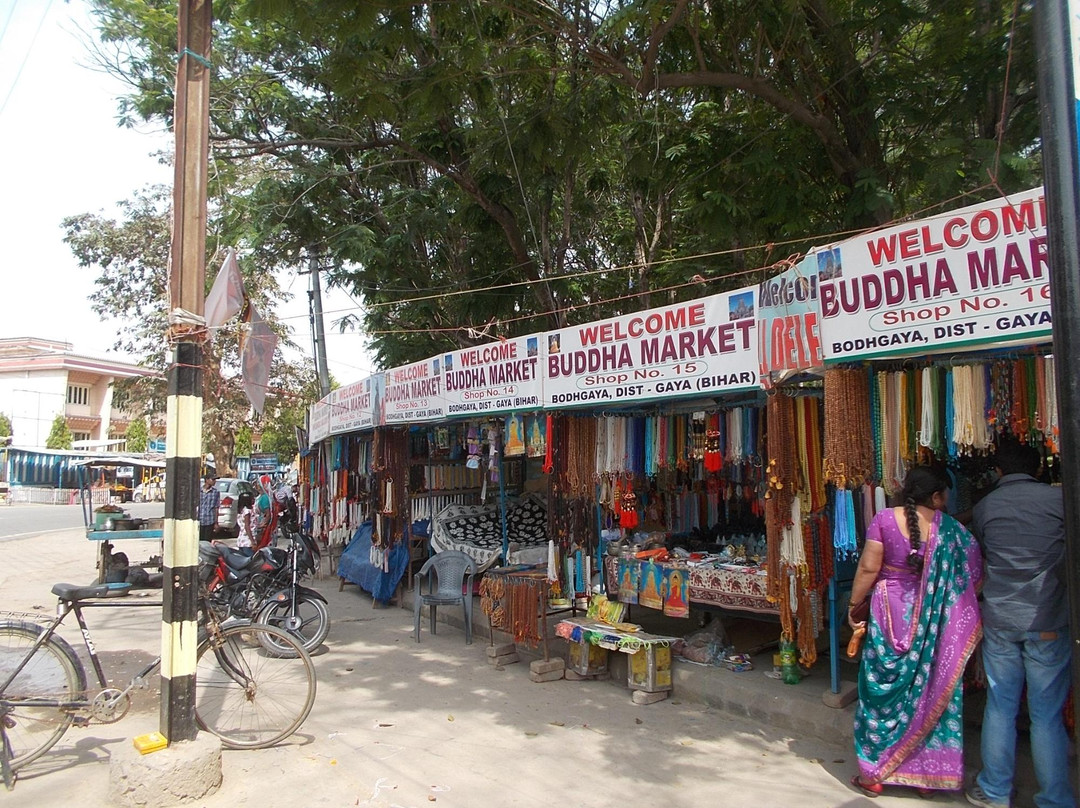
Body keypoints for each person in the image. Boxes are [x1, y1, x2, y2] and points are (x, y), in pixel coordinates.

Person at [848, 465, 983, 798]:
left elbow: (868, 567)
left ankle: (874, 775)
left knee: (880, 691)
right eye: (946, 494)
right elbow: (974, 575)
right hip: (931, 619)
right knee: (929, 688)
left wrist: (853, 607)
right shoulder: (952, 530)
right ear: (937, 496)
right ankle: (925, 777)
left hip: (888, 611)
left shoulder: (883, 519)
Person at [966, 440, 1074, 808]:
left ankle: (996, 791)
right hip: (1047, 618)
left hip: (999, 619)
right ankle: (1055, 799)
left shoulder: (985, 507)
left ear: (997, 472)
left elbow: (982, 555)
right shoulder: (1059, 501)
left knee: (1001, 706)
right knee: (1046, 716)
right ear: (1039, 469)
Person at [198, 475, 220, 542]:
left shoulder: (215, 492)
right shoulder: (198, 491)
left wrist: (216, 523)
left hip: (210, 520)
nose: (214, 481)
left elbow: (216, 507)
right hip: (199, 520)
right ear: (207, 480)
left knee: (207, 541)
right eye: (213, 479)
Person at [234, 491, 255, 556]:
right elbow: (247, 526)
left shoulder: (241, 510)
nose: (253, 500)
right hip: (247, 541)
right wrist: (253, 542)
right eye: (252, 499)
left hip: (241, 539)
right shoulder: (247, 511)